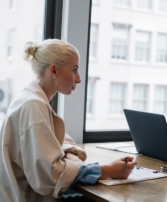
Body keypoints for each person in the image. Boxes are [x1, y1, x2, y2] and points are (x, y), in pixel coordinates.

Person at [0, 39, 137, 201]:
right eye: (74, 70)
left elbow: (52, 141)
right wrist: (107, 170)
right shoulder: (33, 105)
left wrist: (70, 154)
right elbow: (51, 176)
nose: (78, 79)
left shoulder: (31, 99)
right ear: (53, 70)